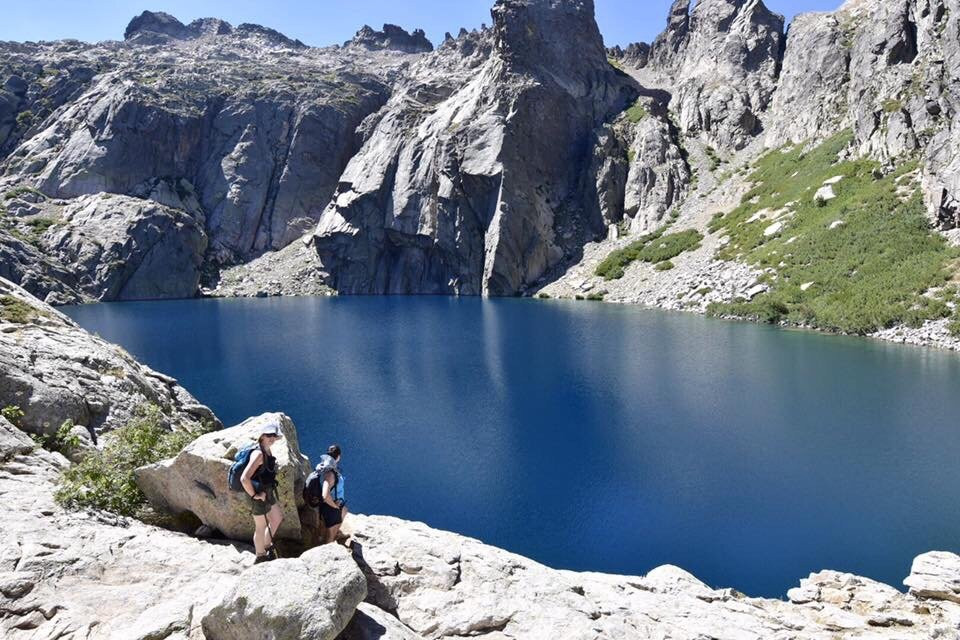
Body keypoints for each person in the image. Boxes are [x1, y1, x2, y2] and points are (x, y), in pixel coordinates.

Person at [241, 423, 285, 563]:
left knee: (277, 518)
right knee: (261, 526)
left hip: (268, 491)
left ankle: (266, 545)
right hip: (258, 494)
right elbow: (244, 478)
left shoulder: (267, 450)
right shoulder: (258, 454)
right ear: (262, 436)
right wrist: (255, 495)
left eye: (274, 436)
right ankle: (260, 556)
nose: (272, 438)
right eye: (269, 435)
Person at [320, 444, 347, 544]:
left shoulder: (327, 468)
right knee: (330, 535)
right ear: (338, 457)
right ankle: (328, 552)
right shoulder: (330, 473)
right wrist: (335, 507)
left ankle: (336, 534)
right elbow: (325, 495)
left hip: (333, 505)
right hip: (330, 507)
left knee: (344, 510)